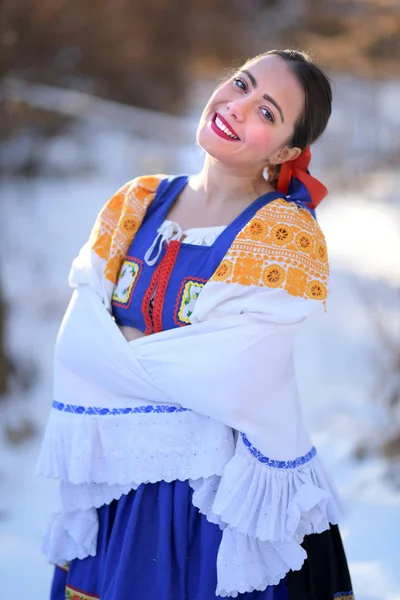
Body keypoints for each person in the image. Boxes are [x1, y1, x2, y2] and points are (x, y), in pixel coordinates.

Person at [38, 49, 354, 600]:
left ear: (286, 151)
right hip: (123, 491)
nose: (236, 106)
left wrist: (124, 348)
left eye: (266, 111)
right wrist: (157, 357)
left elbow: (231, 376)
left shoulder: (285, 236)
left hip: (222, 505)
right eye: (240, 83)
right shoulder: (135, 203)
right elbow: (77, 346)